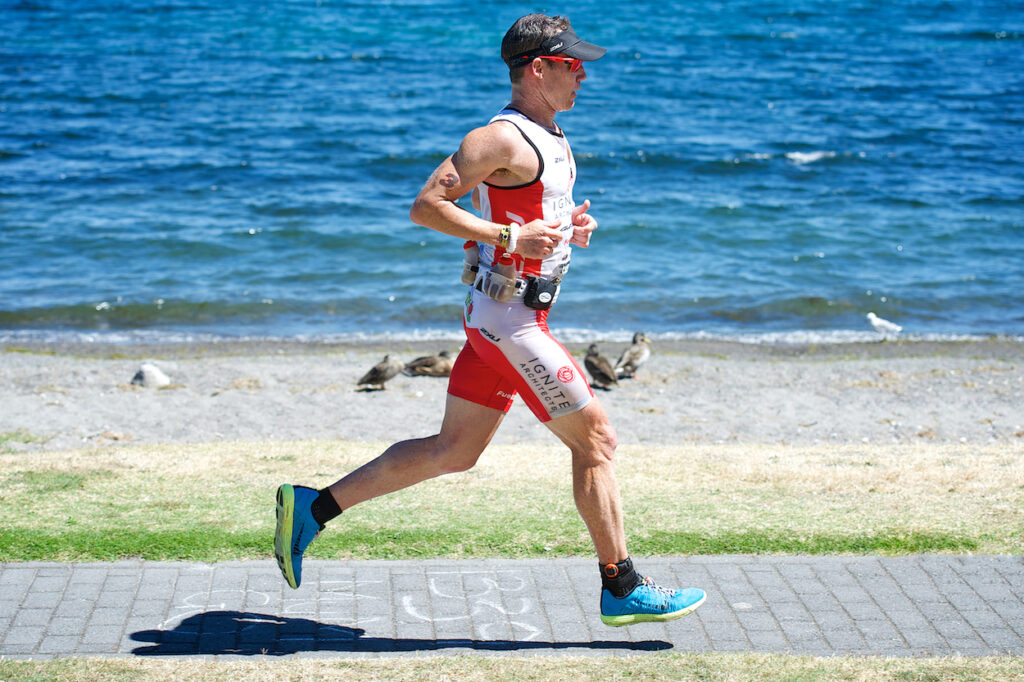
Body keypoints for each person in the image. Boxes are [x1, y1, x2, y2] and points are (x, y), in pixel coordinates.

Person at [274, 13, 706, 627]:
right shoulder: (499, 138)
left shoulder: (550, 135)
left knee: (454, 451)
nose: (582, 73)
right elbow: (427, 206)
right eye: (570, 64)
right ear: (537, 68)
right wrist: (509, 234)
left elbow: (530, 214)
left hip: (503, 319)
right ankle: (622, 585)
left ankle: (311, 509)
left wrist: (566, 230)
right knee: (598, 441)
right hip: (511, 325)